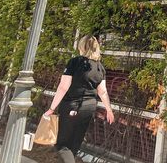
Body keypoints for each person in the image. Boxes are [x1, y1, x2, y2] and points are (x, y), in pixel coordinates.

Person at [44, 35, 115, 163]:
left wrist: (51, 108)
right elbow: (103, 92)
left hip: (72, 105)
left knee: (62, 145)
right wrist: (109, 110)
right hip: (89, 108)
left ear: (81, 46)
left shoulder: (74, 62)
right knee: (74, 145)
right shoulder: (100, 67)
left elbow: (63, 87)